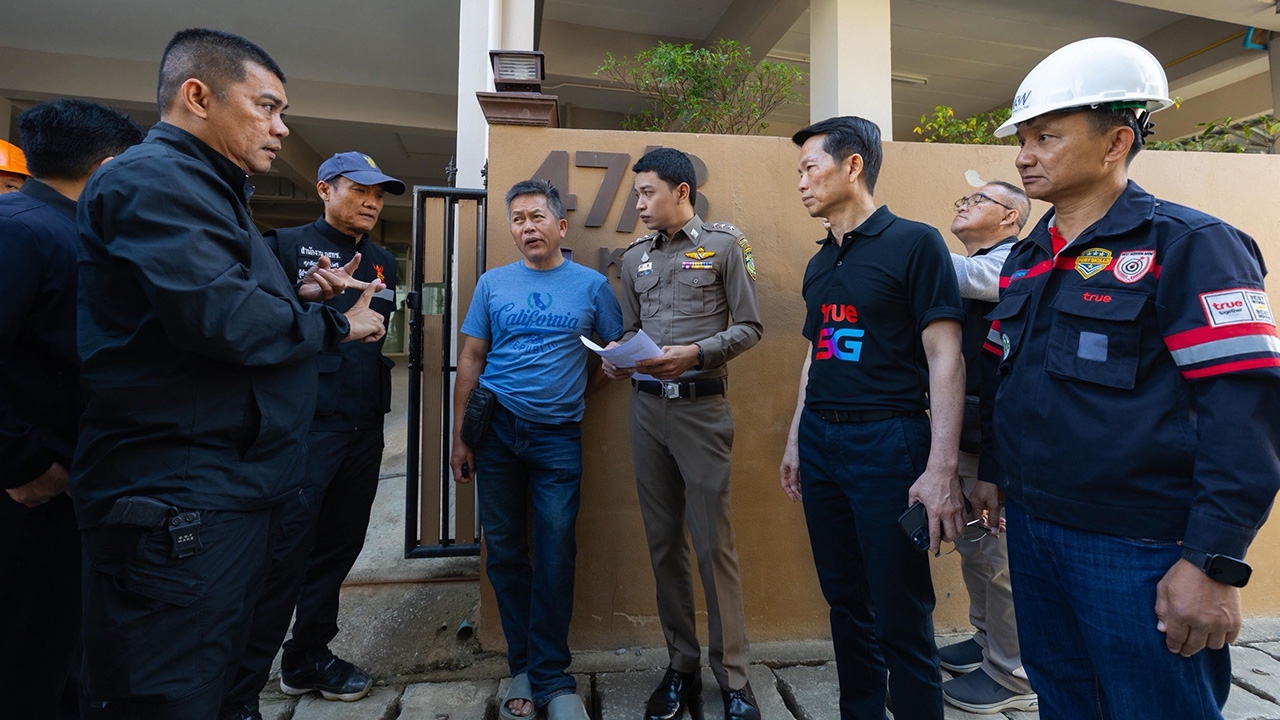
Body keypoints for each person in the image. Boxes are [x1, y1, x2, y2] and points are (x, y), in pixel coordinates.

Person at [74, 28, 387, 720]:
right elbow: (223, 320)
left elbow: (215, 303)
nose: (281, 128)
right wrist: (339, 325)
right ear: (198, 96)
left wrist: (300, 298)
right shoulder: (154, 181)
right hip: (181, 495)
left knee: (224, 675)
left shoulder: (210, 191)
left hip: (232, 487)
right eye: (267, 107)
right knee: (177, 690)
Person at [975, 37, 1280, 720]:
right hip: (1033, 529)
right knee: (1065, 702)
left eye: (1046, 137)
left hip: (1138, 547)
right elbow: (1004, 374)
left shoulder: (1192, 245)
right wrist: (992, 470)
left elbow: (1245, 412)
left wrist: (1213, 560)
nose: (1024, 155)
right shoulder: (1027, 256)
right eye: (1022, 139)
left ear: (1116, 142)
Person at [778, 116, 966, 720]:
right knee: (844, 599)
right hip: (821, 440)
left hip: (889, 439)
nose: (801, 182)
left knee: (900, 607)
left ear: (852, 165)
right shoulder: (819, 263)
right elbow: (817, 353)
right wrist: (796, 439)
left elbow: (945, 355)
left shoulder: (915, 243)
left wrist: (941, 468)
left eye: (810, 168)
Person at [225, 152, 405, 719]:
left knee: (338, 547)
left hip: (362, 426)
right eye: (359, 190)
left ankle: (306, 657)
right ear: (325, 189)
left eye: (379, 194)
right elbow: (258, 328)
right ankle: (239, 692)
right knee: (283, 556)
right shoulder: (282, 247)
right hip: (304, 429)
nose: (372, 202)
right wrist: (307, 298)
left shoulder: (381, 261)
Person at [450, 179, 621, 720]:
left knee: (554, 550)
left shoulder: (592, 286)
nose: (528, 227)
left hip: (557, 437)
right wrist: (460, 437)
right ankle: (524, 667)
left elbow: (611, 355)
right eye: (518, 219)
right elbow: (472, 358)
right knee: (504, 551)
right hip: (496, 432)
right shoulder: (493, 284)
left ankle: (552, 675)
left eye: (537, 217)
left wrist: (577, 393)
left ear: (561, 226)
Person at [602, 147, 763, 720]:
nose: (639, 204)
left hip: (701, 410)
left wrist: (695, 352)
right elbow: (630, 330)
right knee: (664, 542)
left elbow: (750, 327)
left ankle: (734, 678)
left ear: (681, 192)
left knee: (713, 544)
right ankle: (682, 667)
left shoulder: (724, 246)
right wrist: (618, 357)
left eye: (647, 192)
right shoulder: (634, 258)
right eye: (637, 194)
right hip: (647, 413)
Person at [0, 98, 142, 720]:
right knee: (25, 663)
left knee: (65, 656)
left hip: (70, 488)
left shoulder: (77, 233)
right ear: (110, 169)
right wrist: (21, 462)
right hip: (28, 494)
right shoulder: (20, 229)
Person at [937, 181, 1037, 714]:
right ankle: (986, 642)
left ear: (1010, 217)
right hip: (965, 433)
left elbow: (961, 275)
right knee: (974, 548)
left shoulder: (1016, 263)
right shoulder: (978, 266)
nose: (963, 204)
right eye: (962, 199)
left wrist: (897, 247)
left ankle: (1015, 673)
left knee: (999, 558)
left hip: (995, 442)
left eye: (977, 200)